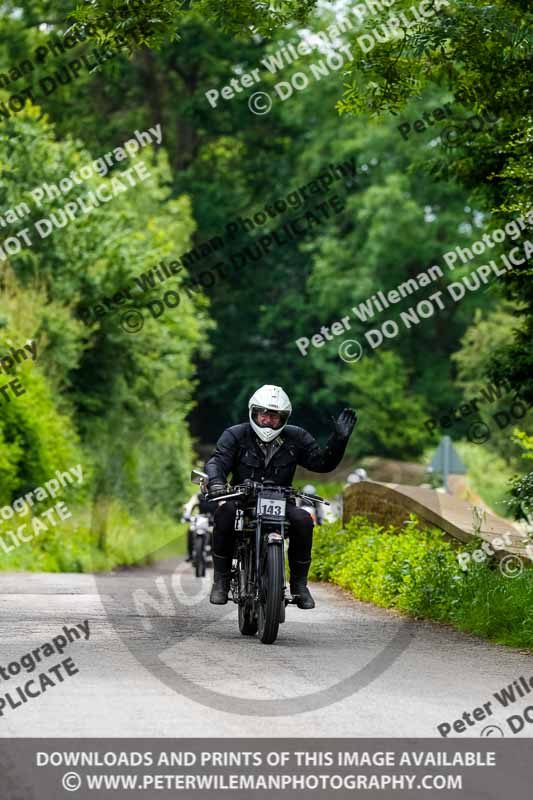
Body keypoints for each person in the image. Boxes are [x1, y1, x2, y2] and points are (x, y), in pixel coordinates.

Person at [204, 384, 357, 609]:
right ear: (254, 412)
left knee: (304, 520)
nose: (268, 420)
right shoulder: (235, 434)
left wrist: (339, 440)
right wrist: (217, 482)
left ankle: (299, 585)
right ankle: (221, 580)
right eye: (264, 413)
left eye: (275, 416)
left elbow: (322, 463)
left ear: (283, 418)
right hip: (242, 499)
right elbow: (217, 460)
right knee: (224, 513)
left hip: (281, 500)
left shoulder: (297, 437)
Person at [182, 491, 212, 561]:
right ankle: (190, 554)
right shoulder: (198, 495)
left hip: (215, 519)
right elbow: (189, 505)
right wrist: (187, 515)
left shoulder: (218, 492)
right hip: (202, 519)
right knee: (190, 530)